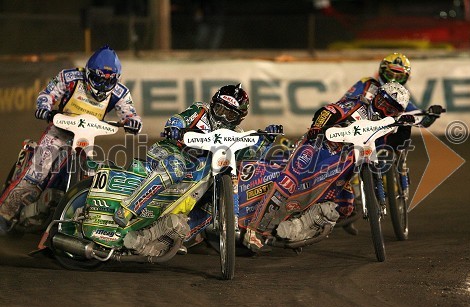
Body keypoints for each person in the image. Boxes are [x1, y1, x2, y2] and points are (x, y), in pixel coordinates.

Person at [243, 82, 443, 252]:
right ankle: (255, 229)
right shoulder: (357, 105)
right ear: (376, 97)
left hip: (348, 160)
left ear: (396, 112)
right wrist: (318, 127)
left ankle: (298, 229)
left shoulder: (390, 121)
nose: (382, 109)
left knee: (345, 207)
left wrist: (408, 122)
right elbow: (329, 110)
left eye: (389, 109)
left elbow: (408, 131)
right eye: (381, 102)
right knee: (288, 180)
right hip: (319, 147)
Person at [113, 83, 283, 256]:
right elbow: (179, 119)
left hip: (200, 172)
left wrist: (266, 140)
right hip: (171, 151)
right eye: (220, 109)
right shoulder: (200, 110)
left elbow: (249, 153)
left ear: (238, 118)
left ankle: (172, 237)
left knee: (213, 202)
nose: (223, 116)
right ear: (213, 104)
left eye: (230, 114)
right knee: (176, 167)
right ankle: (128, 208)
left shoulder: (236, 133)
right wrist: (175, 128)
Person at [0, 45, 142, 235]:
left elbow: (130, 113)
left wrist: (133, 123)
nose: (102, 84)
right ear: (89, 73)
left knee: (92, 176)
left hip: (86, 138)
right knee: (37, 173)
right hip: (58, 132)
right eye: (98, 78)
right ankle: (5, 215)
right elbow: (47, 93)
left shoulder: (120, 92)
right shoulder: (70, 77)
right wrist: (44, 106)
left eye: (109, 80)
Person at [339, 52, 444, 235]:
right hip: (363, 130)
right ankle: (347, 203)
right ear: (381, 71)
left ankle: (399, 166)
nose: (394, 78)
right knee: (346, 166)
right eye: (391, 74)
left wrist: (429, 115)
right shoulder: (368, 84)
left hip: (386, 136)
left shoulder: (401, 95)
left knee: (404, 130)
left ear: (406, 77)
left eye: (399, 75)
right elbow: (345, 102)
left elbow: (416, 116)